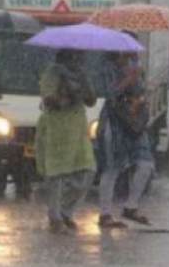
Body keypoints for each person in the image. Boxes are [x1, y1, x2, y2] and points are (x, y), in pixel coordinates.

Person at [36, 49, 97, 234]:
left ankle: (65, 212)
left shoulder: (82, 75)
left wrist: (82, 86)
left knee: (87, 171)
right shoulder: (51, 74)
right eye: (75, 57)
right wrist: (66, 95)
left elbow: (91, 100)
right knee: (55, 176)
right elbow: (49, 100)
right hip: (56, 130)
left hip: (78, 131)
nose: (77, 60)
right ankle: (55, 217)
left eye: (79, 58)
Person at [96, 51, 155, 229]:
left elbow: (141, 92)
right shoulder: (106, 69)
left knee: (146, 164)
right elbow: (109, 95)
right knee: (112, 168)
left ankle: (131, 207)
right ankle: (105, 214)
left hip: (135, 123)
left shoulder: (135, 66)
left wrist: (139, 97)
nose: (131, 56)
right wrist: (128, 80)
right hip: (114, 123)